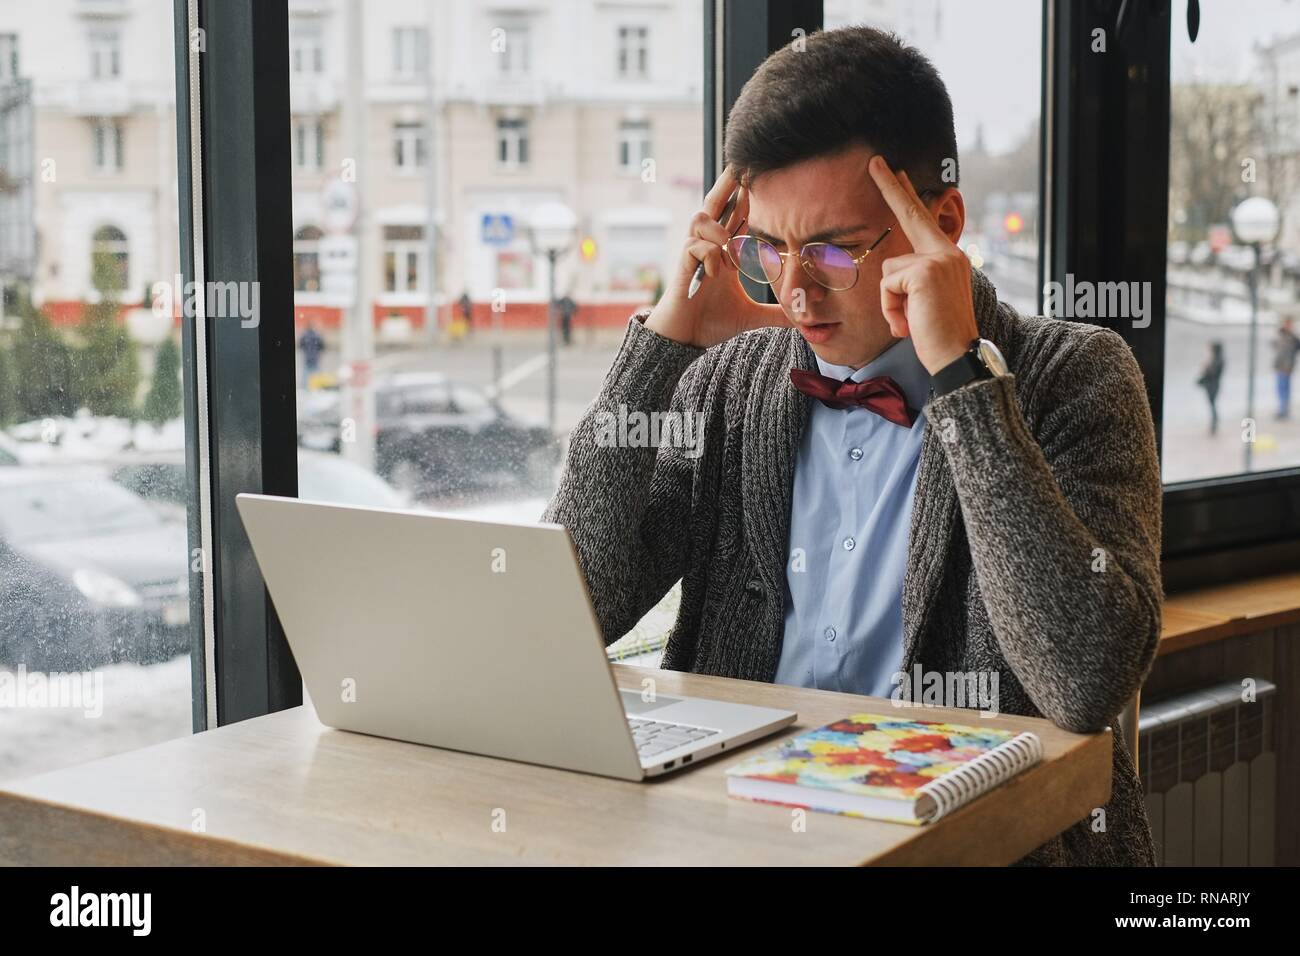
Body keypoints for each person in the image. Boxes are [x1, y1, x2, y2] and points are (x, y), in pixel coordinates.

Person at [542, 26, 1162, 866]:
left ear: (939, 221)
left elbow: (1085, 679)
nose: (795, 292)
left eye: (833, 248)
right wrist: (661, 345)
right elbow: (576, 607)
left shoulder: (1076, 375)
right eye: (769, 247)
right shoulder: (730, 379)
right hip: (740, 839)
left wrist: (964, 387)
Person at [1196, 340, 1225, 435]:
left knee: (1212, 405)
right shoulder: (1217, 359)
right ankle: (1213, 424)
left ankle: (1214, 425)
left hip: (1213, 385)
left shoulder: (1217, 360)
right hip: (1213, 385)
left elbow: (1212, 373)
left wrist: (1205, 367)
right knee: (1212, 405)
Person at [1274, 316, 1300, 420]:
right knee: (1280, 388)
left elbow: (1294, 350)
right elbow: (1277, 348)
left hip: (1287, 366)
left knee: (1284, 389)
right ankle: (1282, 409)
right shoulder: (1281, 334)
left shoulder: (1293, 338)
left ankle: (1284, 410)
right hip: (1280, 366)